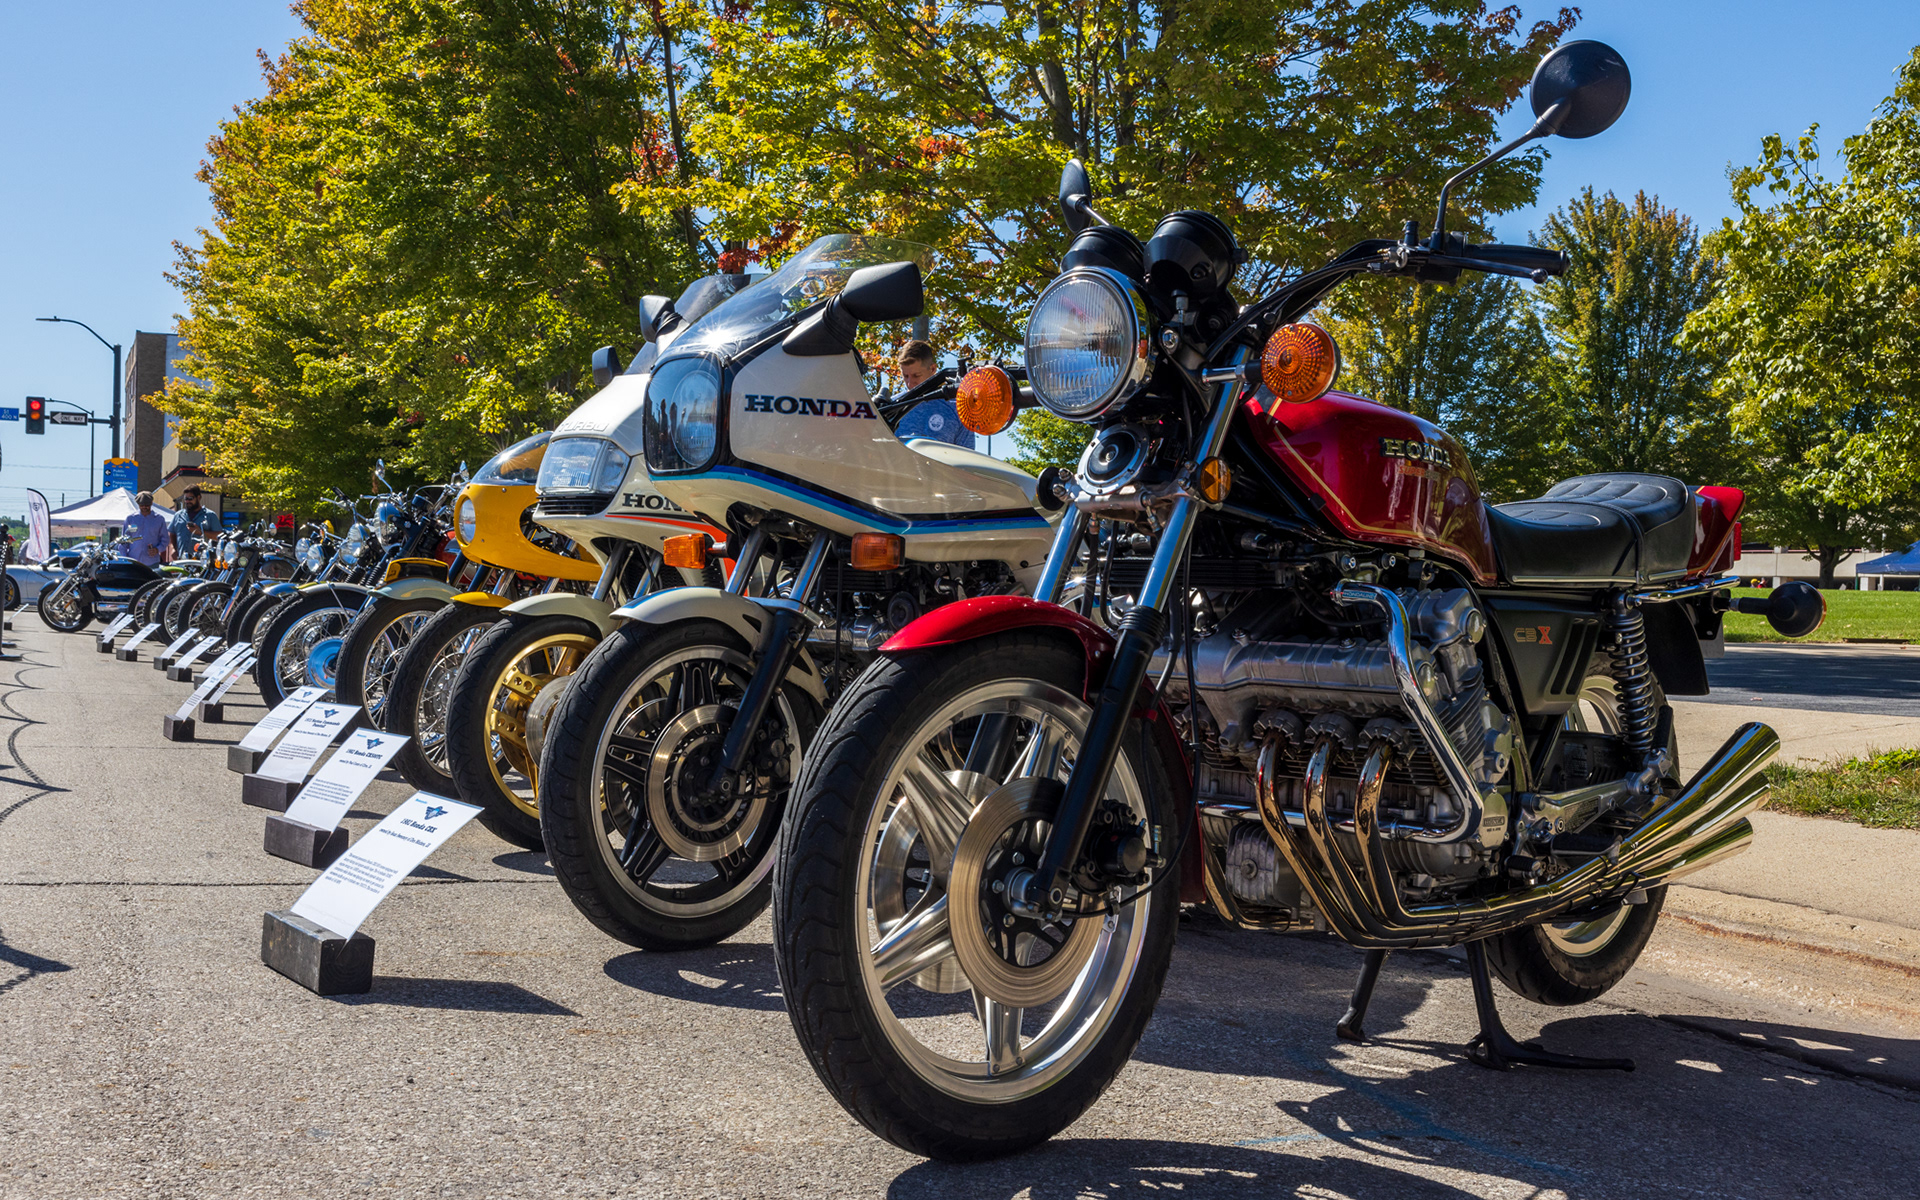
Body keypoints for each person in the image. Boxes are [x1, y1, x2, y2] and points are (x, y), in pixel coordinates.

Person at [890, 340, 976, 450]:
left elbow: (966, 456)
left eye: (916, 375)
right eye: (905, 376)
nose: (910, 383)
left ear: (933, 369)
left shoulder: (959, 410)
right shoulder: (890, 408)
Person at [167, 486, 218, 562]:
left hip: (202, 562)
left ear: (199, 497)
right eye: (186, 499)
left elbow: (218, 536)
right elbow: (172, 534)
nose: (187, 501)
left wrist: (201, 532)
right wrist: (173, 549)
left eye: (190, 498)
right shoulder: (178, 515)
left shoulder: (210, 515)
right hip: (182, 560)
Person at [123, 492, 169, 567]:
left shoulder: (159, 519)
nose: (144, 507)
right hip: (133, 561)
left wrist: (157, 549)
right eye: (141, 505)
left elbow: (165, 540)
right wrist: (125, 559)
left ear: (151, 503)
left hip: (152, 562)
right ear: (138, 505)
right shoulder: (130, 519)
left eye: (147, 505)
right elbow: (124, 541)